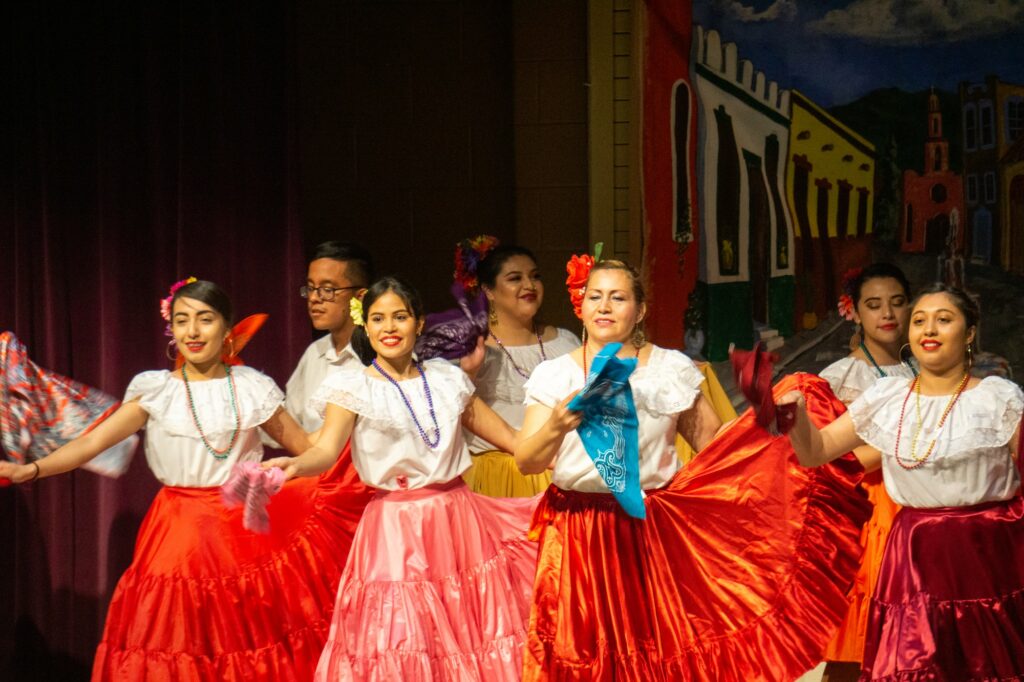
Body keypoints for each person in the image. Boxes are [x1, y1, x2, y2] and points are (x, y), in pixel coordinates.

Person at [515, 256, 870, 680]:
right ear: (581, 304)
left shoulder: (669, 369)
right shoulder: (555, 373)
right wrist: (556, 424)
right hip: (577, 530)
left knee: (655, 649)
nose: (604, 307)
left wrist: (765, 415)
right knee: (582, 653)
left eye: (618, 297)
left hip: (650, 529)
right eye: (595, 297)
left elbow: (717, 451)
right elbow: (527, 460)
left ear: (640, 309)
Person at [0, 279, 359, 681]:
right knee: (177, 640)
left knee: (245, 640)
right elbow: (91, 443)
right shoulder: (157, 391)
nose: (192, 331)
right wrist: (29, 469)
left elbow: (308, 448)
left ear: (227, 329)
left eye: (205, 320)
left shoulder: (253, 389)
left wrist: (347, 412)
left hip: (242, 532)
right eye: (182, 320)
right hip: (177, 533)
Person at [264, 277, 538, 681]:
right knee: (401, 637)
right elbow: (323, 451)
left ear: (419, 323)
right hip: (393, 529)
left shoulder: (447, 380)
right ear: (366, 327)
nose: (389, 327)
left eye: (399, 317)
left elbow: (516, 441)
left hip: (456, 521)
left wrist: (563, 432)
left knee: (467, 632)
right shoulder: (352, 387)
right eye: (378, 319)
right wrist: (293, 465)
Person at [780, 283, 1024, 680]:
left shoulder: (998, 398)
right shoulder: (888, 397)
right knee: (914, 665)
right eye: (919, 321)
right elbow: (815, 451)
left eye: (944, 320)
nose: (929, 330)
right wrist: (793, 416)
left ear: (970, 333)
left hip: (985, 552)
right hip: (913, 553)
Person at [818, 264, 916, 681]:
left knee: (912, 641)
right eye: (873, 305)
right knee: (856, 642)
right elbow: (826, 459)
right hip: (871, 515)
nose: (887, 314)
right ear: (854, 312)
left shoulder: (922, 367)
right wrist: (895, 441)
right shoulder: (840, 377)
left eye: (896, 303)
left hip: (919, 508)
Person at [456, 237, 580, 497]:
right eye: (515, 278)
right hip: (494, 476)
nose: (529, 285)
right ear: (488, 290)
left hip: (559, 472)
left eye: (535, 276)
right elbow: (451, 408)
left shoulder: (566, 342)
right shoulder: (472, 346)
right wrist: (468, 373)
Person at [285, 241, 375, 430]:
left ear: (360, 296)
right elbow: (291, 423)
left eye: (327, 290)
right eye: (310, 288)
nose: (314, 298)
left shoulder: (380, 353)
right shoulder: (315, 352)